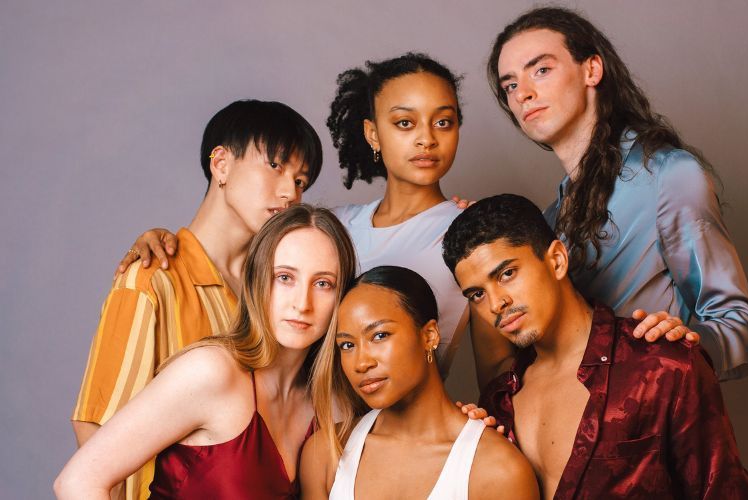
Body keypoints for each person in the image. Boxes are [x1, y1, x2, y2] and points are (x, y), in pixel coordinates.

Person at [115, 54, 689, 384]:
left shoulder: (471, 236)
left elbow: (500, 372)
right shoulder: (324, 226)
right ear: (373, 133)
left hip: (406, 444)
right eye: (405, 123)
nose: (427, 140)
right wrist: (164, 238)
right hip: (300, 437)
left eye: (444, 122)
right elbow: (238, 259)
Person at [481, 6, 748, 382]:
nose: (524, 94)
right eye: (510, 85)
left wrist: (682, 345)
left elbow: (745, 331)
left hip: (650, 425)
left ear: (592, 70)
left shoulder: (668, 175)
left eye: (541, 70)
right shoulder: (549, 221)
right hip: (570, 432)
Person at [70, 100, 322, 499]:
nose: (290, 191)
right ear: (220, 164)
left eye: (302, 180)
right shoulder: (153, 279)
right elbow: (95, 429)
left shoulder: (277, 289)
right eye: (275, 166)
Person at [442, 194, 748, 498]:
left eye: (507, 274)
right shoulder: (500, 402)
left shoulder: (663, 365)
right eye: (477, 295)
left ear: (556, 260)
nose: (497, 303)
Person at [55, 204, 357, 499]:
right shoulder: (211, 372)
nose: (302, 303)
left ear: (341, 296)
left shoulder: (334, 407)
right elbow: (77, 482)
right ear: (257, 280)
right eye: (285, 278)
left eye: (322, 283)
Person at [300, 265, 538, 499]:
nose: (361, 363)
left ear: (429, 335)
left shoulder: (498, 471)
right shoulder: (325, 454)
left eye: (380, 335)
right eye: (347, 345)